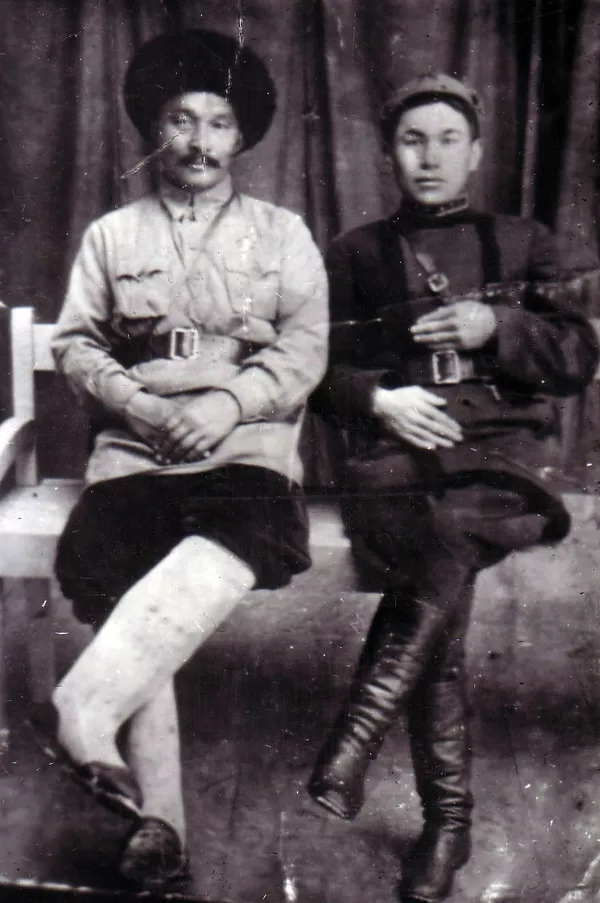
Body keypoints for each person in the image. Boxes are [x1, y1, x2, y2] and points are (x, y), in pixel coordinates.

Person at [38, 29, 327, 893]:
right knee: (115, 560)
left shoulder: (283, 234)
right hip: (138, 443)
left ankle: (85, 710)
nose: (200, 142)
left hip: (245, 440)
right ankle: (158, 824)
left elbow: (305, 347)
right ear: (153, 130)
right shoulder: (111, 235)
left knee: (243, 526)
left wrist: (225, 404)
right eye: (181, 120)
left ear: (242, 136)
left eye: (220, 123)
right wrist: (140, 405)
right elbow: (77, 344)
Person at [307, 73, 598, 903]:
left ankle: (366, 753)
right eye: (412, 140)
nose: (428, 157)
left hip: (503, 456)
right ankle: (446, 824)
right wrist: (377, 399)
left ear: (475, 152)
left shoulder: (524, 241)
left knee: (441, 540)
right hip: (398, 453)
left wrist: (496, 324)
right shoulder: (355, 252)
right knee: (439, 555)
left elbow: (578, 355)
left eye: (446, 140)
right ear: (387, 153)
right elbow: (311, 366)